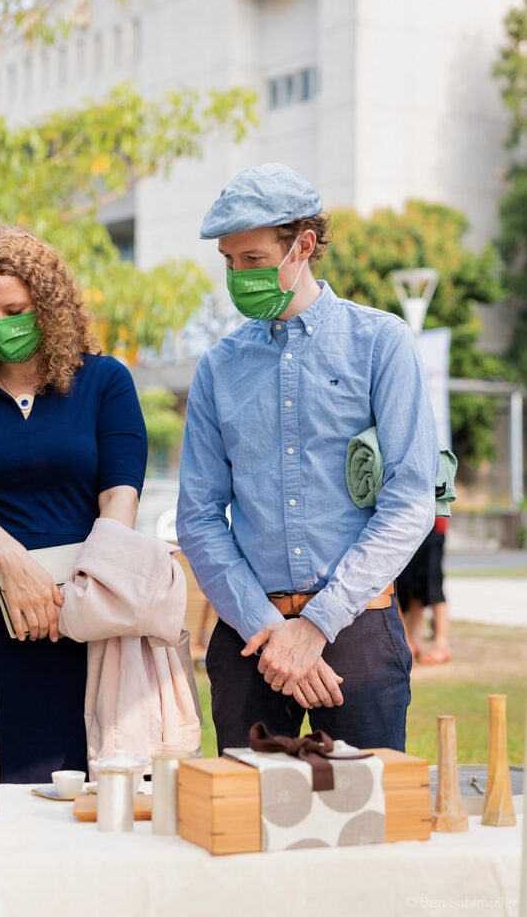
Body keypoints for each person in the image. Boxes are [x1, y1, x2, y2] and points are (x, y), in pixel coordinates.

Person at [176, 163, 439, 753]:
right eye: (228, 261)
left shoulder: (382, 344)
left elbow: (411, 497)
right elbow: (197, 516)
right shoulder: (217, 368)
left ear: (305, 245)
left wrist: (318, 624)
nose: (238, 275)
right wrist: (271, 633)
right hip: (251, 642)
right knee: (243, 828)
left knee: (361, 825)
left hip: (359, 633)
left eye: (252, 259)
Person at [0, 225, 148, 782]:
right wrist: (14, 564)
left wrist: (86, 587)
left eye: (13, 308)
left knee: (88, 792)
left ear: (46, 302)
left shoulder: (106, 382)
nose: (0, 326)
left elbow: (121, 492)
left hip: (83, 616)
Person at [397, 517, 451, 664]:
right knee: (411, 586)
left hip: (433, 521)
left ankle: (441, 646)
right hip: (407, 522)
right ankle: (413, 642)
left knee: (433, 584)